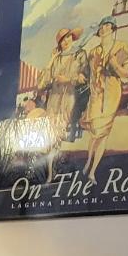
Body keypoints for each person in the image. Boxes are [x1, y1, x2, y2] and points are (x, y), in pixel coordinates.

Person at [80, 16, 128, 183]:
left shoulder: (121, 46)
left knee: (103, 134)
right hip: (96, 94)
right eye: (102, 26)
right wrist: (81, 75)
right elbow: (86, 73)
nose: (104, 29)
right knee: (95, 131)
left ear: (113, 28)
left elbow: (125, 73)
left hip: (111, 94)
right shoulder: (94, 52)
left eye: (107, 26)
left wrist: (115, 63)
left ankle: (92, 170)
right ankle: (88, 160)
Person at [38, 26, 84, 180]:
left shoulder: (79, 54)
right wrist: (51, 60)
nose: (66, 41)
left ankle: (57, 169)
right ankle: (50, 172)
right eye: (62, 39)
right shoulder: (56, 58)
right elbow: (42, 83)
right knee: (51, 136)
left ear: (73, 38)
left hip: (69, 98)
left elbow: (84, 78)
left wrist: (69, 80)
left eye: (68, 37)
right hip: (54, 100)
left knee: (59, 134)